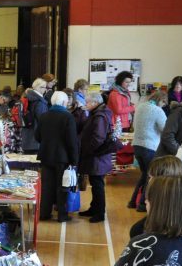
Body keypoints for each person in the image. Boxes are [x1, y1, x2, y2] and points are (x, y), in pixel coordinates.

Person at [35, 91, 79, 223]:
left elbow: (37, 136)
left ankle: (44, 213)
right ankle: (62, 215)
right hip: (62, 158)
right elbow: (72, 141)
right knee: (62, 186)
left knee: (47, 186)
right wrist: (74, 159)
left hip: (46, 156)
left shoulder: (44, 116)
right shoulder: (68, 117)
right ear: (65, 103)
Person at [78, 91, 120, 223]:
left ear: (95, 103)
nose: (86, 105)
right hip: (97, 156)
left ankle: (100, 213)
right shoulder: (98, 113)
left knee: (97, 185)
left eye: (87, 102)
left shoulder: (99, 116)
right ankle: (94, 208)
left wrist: (87, 150)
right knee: (95, 184)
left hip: (97, 156)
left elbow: (98, 138)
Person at [129, 89, 168, 211]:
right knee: (150, 177)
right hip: (150, 146)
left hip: (137, 145)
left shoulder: (140, 107)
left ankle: (132, 201)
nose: (163, 106)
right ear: (161, 100)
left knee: (144, 174)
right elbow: (165, 129)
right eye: (164, 103)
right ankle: (141, 204)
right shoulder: (158, 111)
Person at [20, 78, 49, 154]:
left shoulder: (26, 98)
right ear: (39, 88)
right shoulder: (40, 102)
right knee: (35, 164)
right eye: (45, 87)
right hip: (35, 140)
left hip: (26, 137)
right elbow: (43, 121)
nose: (46, 90)